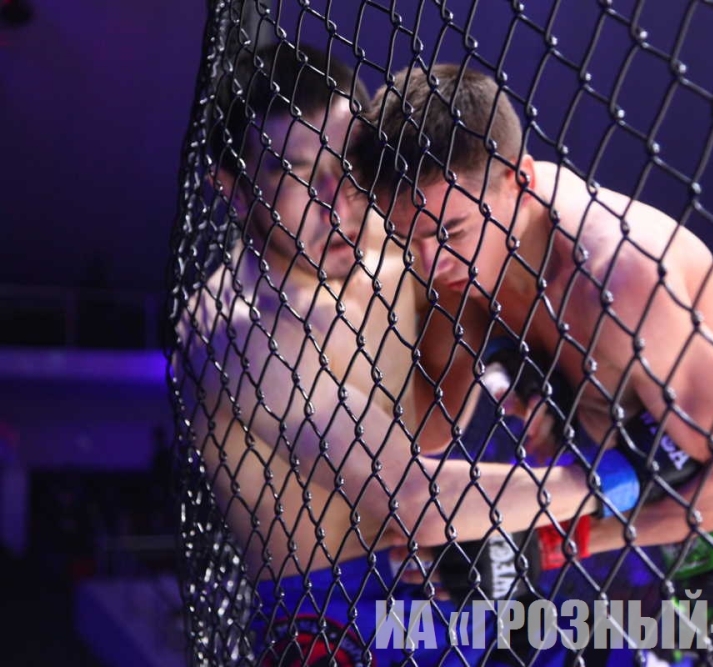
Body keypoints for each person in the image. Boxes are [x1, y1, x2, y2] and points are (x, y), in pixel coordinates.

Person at [356, 63, 713, 666]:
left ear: (520, 182)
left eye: (452, 231)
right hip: (701, 568)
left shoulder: (622, 276)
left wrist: (547, 541)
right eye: (408, 237)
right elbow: (430, 428)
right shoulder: (463, 256)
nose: (430, 260)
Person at [171, 44, 655, 667]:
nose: (336, 201)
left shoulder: (399, 244)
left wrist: (510, 365)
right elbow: (414, 498)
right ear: (234, 190)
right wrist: (623, 474)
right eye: (296, 174)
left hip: (445, 581)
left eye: (347, 164)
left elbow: (434, 419)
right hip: (334, 619)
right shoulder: (239, 332)